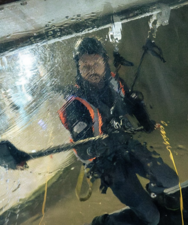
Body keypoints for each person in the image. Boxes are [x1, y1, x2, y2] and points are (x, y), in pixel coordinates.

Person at [57, 37, 179, 225]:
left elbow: (132, 102)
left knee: (170, 179)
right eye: (85, 66)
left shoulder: (115, 83)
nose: (92, 70)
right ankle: (104, 223)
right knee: (152, 218)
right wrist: (99, 145)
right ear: (78, 69)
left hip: (128, 147)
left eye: (96, 63)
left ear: (105, 62)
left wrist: (144, 119)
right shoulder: (75, 106)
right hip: (109, 165)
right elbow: (83, 150)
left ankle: (154, 193)